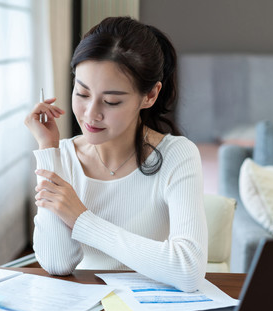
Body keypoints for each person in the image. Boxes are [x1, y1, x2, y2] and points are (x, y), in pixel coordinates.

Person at [24, 16, 207, 292]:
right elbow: (57, 263)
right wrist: (49, 149)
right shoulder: (60, 157)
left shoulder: (177, 155)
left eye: (111, 101)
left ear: (150, 95)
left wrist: (82, 220)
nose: (91, 114)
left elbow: (188, 270)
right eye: (82, 93)